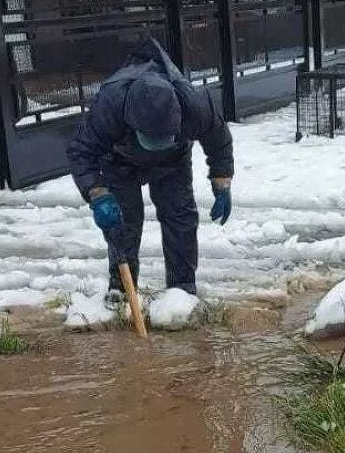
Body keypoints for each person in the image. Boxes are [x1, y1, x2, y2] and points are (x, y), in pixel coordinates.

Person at [67, 37, 233, 302]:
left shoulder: (193, 105)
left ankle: (182, 291)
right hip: (120, 162)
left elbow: (218, 139)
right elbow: (81, 152)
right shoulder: (111, 104)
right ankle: (122, 290)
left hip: (173, 160)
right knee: (123, 223)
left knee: (180, 218)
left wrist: (221, 182)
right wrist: (97, 194)